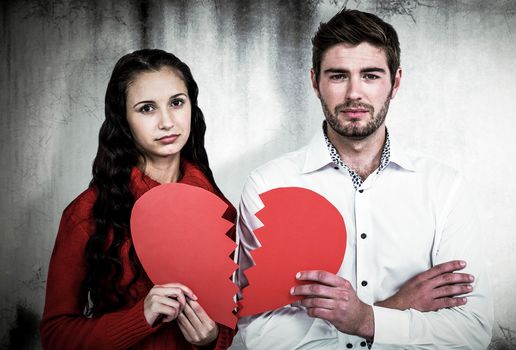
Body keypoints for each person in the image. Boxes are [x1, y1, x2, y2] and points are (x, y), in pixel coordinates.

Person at [230, 9, 493, 349]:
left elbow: (470, 331)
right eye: (339, 76)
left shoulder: (444, 187)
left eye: (370, 76)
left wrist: (366, 319)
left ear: (395, 82)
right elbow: (259, 335)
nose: (354, 93)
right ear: (315, 82)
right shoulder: (268, 186)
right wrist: (390, 311)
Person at [40, 49, 236, 349]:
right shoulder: (86, 214)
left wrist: (213, 338)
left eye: (176, 103)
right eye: (147, 109)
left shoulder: (220, 211)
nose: (167, 122)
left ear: (191, 107)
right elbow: (55, 335)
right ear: (123, 120)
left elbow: (229, 315)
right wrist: (140, 316)